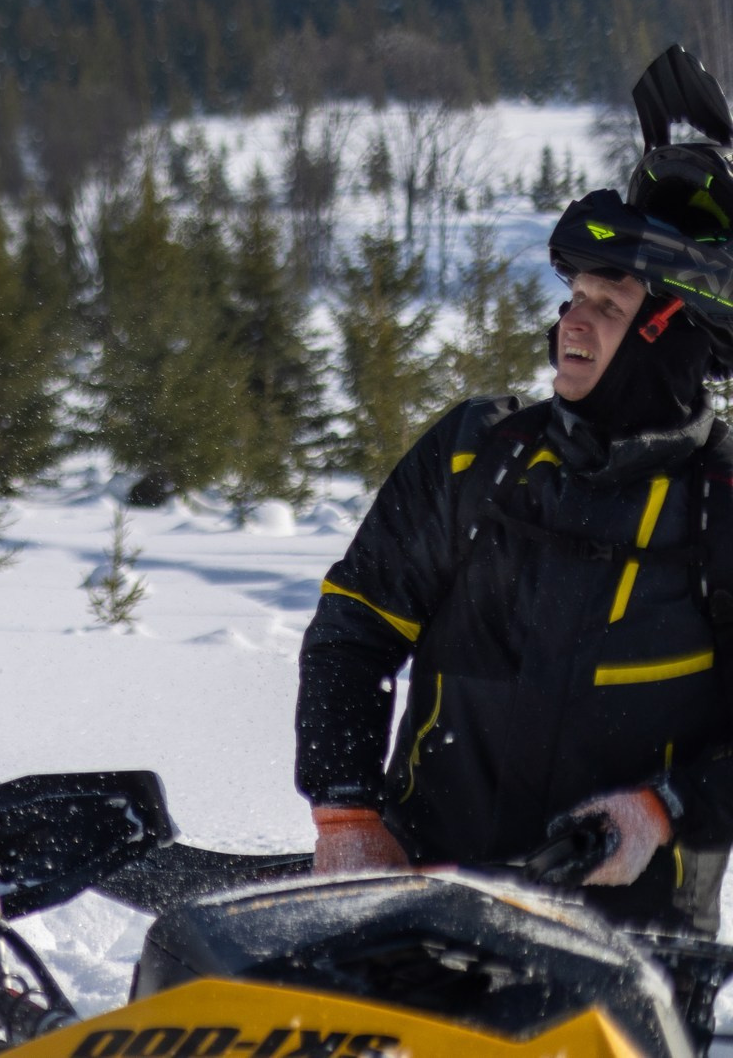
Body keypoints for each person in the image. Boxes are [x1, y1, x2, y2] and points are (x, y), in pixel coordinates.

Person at [295, 46, 733, 931]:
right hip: (421, 913)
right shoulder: (475, 455)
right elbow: (354, 626)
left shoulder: (722, 504)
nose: (572, 317)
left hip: (626, 950)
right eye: (573, 294)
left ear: (672, 334)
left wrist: (664, 812)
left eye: (607, 304)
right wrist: (345, 811)